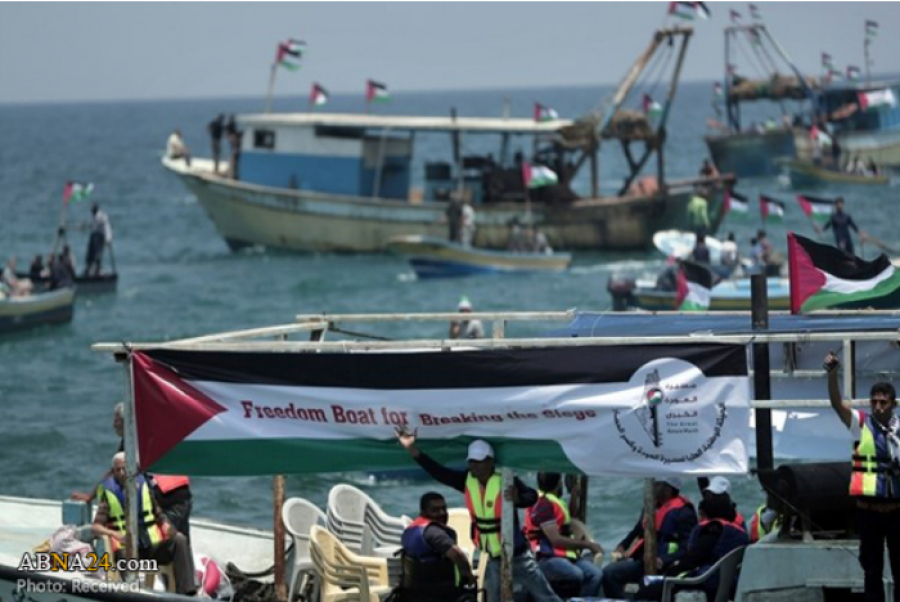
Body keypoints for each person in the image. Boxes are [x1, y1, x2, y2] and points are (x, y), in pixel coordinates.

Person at [395, 430, 562, 602]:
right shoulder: (467, 481)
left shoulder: (505, 479)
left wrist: (518, 498)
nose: (473, 466)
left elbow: (532, 497)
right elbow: (439, 472)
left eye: (478, 462)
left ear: (490, 462)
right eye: (471, 462)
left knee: (544, 595)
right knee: (492, 597)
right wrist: (413, 450)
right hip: (493, 556)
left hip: (517, 554)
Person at [825, 351, 900, 602]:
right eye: (875, 401)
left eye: (884, 402)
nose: (878, 406)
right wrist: (832, 375)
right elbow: (837, 404)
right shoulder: (861, 424)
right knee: (871, 570)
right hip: (868, 511)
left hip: (896, 510)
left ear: (893, 405)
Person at [91, 453, 196, 595]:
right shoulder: (108, 493)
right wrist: (115, 534)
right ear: (113, 472)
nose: (122, 473)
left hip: (151, 547)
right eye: (118, 470)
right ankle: (132, 592)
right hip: (127, 550)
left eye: (124, 468)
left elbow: (159, 515)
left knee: (180, 540)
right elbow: (96, 527)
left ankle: (185, 593)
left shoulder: (145, 486)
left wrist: (169, 529)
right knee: (122, 554)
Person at [634, 494, 749, 602]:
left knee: (648, 588)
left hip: (707, 581)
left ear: (705, 515)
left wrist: (670, 572)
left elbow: (694, 558)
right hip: (730, 585)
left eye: (700, 515)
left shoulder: (713, 529)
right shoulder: (740, 533)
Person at [601, 477, 698, 599]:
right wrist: (623, 545)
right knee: (609, 573)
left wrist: (664, 560)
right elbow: (637, 530)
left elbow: (688, 547)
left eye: (657, 484)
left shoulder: (684, 513)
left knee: (635, 582)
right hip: (642, 561)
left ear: (667, 490)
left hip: (666, 566)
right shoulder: (650, 506)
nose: (653, 488)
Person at [524, 472, 603, 598]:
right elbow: (555, 540)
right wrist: (588, 545)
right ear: (559, 483)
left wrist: (574, 496)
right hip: (545, 558)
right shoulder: (543, 505)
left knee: (595, 575)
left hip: (564, 557)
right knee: (575, 574)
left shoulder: (554, 501)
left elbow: (566, 519)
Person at [400, 492, 477, 602]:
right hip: (439, 594)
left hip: (413, 593)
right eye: (435, 510)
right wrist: (468, 574)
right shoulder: (434, 532)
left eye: (444, 509)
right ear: (424, 511)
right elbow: (456, 553)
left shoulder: (410, 530)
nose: (441, 513)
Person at [84, 203, 112, 277]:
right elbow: (91, 225)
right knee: (90, 252)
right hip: (93, 235)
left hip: (100, 236)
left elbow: (107, 227)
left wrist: (108, 238)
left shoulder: (102, 216)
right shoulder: (92, 216)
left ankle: (98, 269)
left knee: (98, 254)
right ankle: (88, 268)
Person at [225, 115, 242, 179]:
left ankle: (233, 175)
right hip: (235, 146)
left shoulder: (229, 124)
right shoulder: (233, 124)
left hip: (235, 148)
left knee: (233, 160)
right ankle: (234, 175)